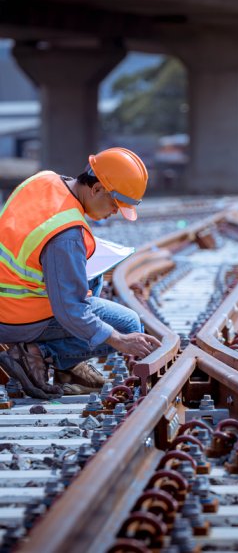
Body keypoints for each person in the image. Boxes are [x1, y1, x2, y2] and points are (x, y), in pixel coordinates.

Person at [0, 147, 161, 399]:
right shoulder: (66, 235)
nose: (115, 212)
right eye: (115, 204)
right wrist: (119, 339)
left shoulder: (44, 179)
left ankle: (64, 366)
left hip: (9, 293)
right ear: (96, 189)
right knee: (129, 324)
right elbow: (70, 311)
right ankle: (36, 354)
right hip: (14, 315)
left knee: (92, 276)